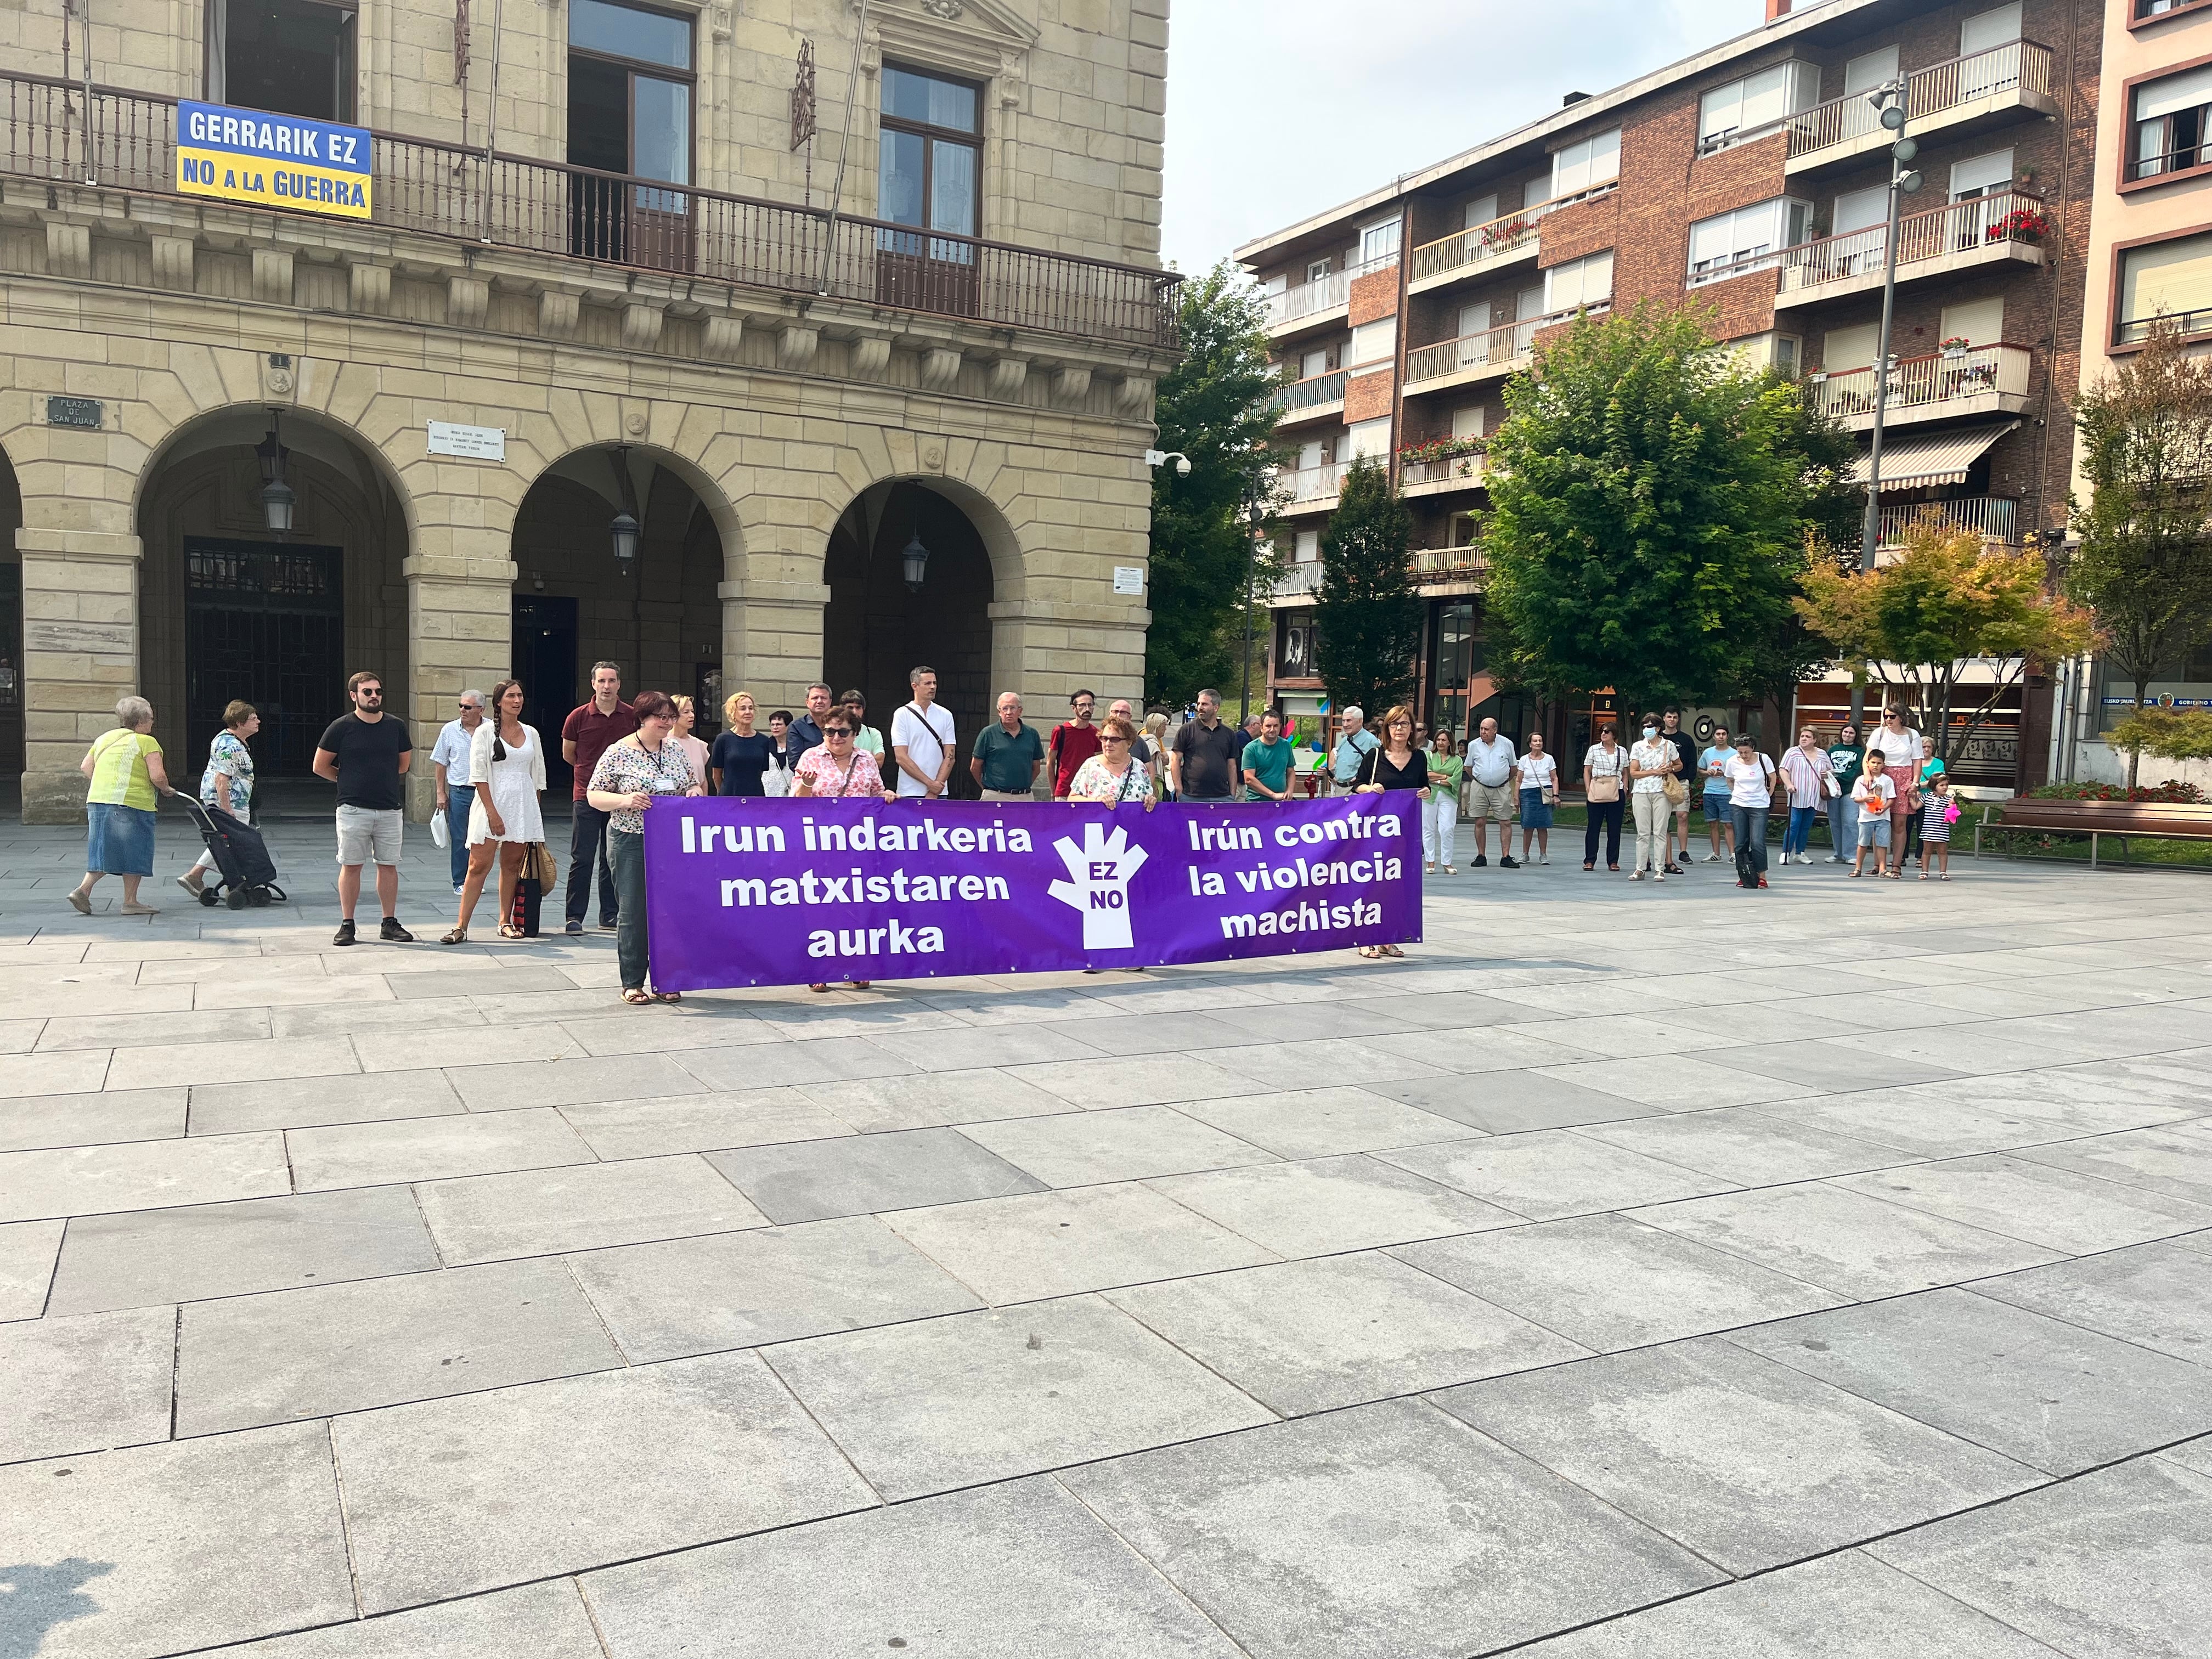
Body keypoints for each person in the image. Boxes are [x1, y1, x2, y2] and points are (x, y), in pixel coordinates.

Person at [587, 690, 703, 1006]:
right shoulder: (618, 752)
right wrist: (625, 800)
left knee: (671, 910)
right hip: (631, 838)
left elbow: (692, 783)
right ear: (643, 718)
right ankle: (633, 980)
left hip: (671, 841)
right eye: (661, 717)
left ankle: (668, 978)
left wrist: (693, 791)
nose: (667, 723)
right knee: (634, 910)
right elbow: (594, 795)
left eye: (671, 717)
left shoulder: (676, 749)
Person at [792, 712, 899, 994]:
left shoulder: (866, 759)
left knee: (859, 905)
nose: (835, 737)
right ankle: (819, 968)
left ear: (855, 733)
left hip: (859, 846)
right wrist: (807, 784)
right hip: (821, 845)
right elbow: (794, 803)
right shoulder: (810, 758)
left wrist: (887, 795)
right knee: (822, 906)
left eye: (842, 732)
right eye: (829, 732)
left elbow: (876, 793)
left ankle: (857, 965)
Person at [313, 670, 414, 945]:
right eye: (367, 692)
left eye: (378, 691)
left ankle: (389, 923)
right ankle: (348, 924)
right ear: (354, 695)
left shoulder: (395, 726)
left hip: (389, 809)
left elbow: (403, 765)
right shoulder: (342, 726)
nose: (373, 696)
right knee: (352, 865)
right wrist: (345, 780)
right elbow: (320, 766)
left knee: (389, 866)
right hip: (353, 809)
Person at [443, 679, 546, 945]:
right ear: (499, 702)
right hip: (492, 805)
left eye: (520, 696)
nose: (517, 700)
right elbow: (478, 775)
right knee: (477, 866)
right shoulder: (486, 732)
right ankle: (461, 926)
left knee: (511, 866)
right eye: (511, 696)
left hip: (522, 806)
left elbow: (538, 777)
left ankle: (505, 921)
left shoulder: (532, 733)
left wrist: (533, 814)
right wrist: (493, 813)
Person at [69, 695, 178, 916]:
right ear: (140, 722)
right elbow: (157, 775)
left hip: (98, 801)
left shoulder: (104, 738)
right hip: (132, 804)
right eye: (151, 719)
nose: (153, 723)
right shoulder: (147, 741)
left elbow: (85, 766)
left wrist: (105, 785)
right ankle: (127, 901)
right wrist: (166, 789)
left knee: (104, 849)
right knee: (135, 851)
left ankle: (89, 891)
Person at [561, 662, 637, 938]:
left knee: (612, 858)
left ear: (619, 684)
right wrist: (589, 779)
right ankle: (574, 917)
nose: (607, 686)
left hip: (620, 799)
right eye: (602, 681)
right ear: (593, 684)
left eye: (612, 681)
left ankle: (609, 915)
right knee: (582, 858)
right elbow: (569, 755)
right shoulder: (578, 717)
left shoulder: (631, 716)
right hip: (586, 797)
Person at [1351, 706, 1428, 960]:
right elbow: (1357, 786)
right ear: (1387, 729)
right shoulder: (1375, 756)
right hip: (1376, 834)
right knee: (1371, 884)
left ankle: (1388, 937)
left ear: (1412, 729)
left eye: (1405, 725)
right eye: (1395, 725)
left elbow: (1423, 786)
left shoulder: (1419, 758)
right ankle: (1364, 937)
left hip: (1405, 834)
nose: (1399, 729)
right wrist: (1370, 789)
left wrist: (1426, 792)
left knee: (1397, 886)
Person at [178, 699, 259, 899]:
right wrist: (227, 810)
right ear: (240, 723)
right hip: (231, 800)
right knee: (230, 840)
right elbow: (222, 779)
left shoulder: (228, 739)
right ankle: (195, 875)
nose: (258, 721)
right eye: (253, 718)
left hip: (231, 799)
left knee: (227, 840)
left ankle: (232, 882)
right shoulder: (230, 746)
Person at [430, 689, 486, 895]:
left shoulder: (491, 729)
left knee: (483, 838)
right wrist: (440, 793)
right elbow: (440, 763)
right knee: (461, 837)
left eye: (468, 707)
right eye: (461, 706)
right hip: (461, 791)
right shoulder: (450, 730)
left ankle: (477, 878)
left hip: (485, 792)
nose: (463, 710)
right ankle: (460, 881)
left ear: (481, 709)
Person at [889, 665, 956, 800]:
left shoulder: (945, 714)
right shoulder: (902, 714)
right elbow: (901, 757)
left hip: (940, 791)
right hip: (910, 791)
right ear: (915, 686)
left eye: (935, 683)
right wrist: (930, 784)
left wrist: (936, 789)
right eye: (928, 683)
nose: (933, 687)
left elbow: (950, 755)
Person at [1067, 714, 1158, 808]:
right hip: (1101, 821)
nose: (1108, 744)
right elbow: (1072, 799)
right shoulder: (1091, 765)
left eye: (1115, 739)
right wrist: (1096, 800)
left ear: (1129, 743)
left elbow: (1149, 794)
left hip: (1133, 821)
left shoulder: (1139, 766)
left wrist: (1150, 799)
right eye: (1104, 738)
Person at [1627, 718, 1678, 882]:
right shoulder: (1638, 746)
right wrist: (1654, 772)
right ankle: (1640, 868)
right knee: (1642, 832)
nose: (1646, 729)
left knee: (1660, 831)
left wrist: (1670, 768)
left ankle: (1660, 869)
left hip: (1662, 791)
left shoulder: (1668, 745)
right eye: (1644, 726)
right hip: (1641, 791)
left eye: (1649, 726)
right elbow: (1634, 772)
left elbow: (1679, 764)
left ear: (1657, 728)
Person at [1171, 687, 1243, 803]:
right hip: (1191, 796)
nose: (1200, 707)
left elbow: (1232, 765)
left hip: (1222, 797)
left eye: (1204, 704)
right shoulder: (1186, 730)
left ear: (1216, 708)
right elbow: (1175, 760)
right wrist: (1179, 790)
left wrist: (1232, 793)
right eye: (1198, 704)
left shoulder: (1229, 734)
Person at [1464, 716, 1519, 868]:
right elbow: (1468, 767)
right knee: (1480, 821)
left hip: (1501, 787)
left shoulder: (1507, 744)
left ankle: (1506, 856)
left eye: (1486, 729)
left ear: (1495, 730)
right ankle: (1481, 855)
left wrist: (1503, 780)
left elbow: (1514, 768)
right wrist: (1479, 779)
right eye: (1481, 729)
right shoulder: (1474, 745)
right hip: (1480, 787)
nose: (1483, 732)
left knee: (1506, 821)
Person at [972, 691, 1046, 802]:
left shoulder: (1032, 734)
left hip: (1024, 797)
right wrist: (987, 788)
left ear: (1020, 711)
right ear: (999, 712)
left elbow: (1036, 768)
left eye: (1013, 708)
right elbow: (975, 767)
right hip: (994, 796)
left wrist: (1023, 786)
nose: (1009, 712)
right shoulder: (988, 733)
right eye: (1005, 708)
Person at [1725, 732, 1778, 889]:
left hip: (1759, 805)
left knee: (1757, 841)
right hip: (1739, 805)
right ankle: (1744, 875)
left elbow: (1773, 777)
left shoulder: (1763, 759)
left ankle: (1762, 876)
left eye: (1746, 752)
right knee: (1741, 842)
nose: (1744, 755)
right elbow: (1729, 779)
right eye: (1740, 752)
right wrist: (1735, 792)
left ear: (1753, 749)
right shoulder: (1732, 761)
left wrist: (1769, 792)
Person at [1875, 706, 1924, 857]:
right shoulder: (1880, 733)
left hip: (1904, 776)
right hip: (1883, 776)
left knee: (1900, 823)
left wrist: (1915, 783)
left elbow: (1917, 761)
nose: (1888, 719)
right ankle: (1879, 864)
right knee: (1879, 821)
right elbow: (1869, 757)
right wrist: (1868, 776)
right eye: (1886, 716)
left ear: (1901, 717)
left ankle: (1897, 863)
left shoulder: (1912, 734)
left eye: (1892, 716)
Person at [1778, 729, 1832, 867]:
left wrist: (1828, 773)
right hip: (1797, 794)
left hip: (1814, 796)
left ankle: (1800, 853)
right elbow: (1783, 769)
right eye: (1802, 736)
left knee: (1806, 826)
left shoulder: (1822, 754)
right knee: (1794, 824)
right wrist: (1789, 784)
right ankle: (1786, 852)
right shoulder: (1793, 752)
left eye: (1808, 737)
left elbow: (1831, 770)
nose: (1804, 739)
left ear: (1814, 739)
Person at [710, 692, 780, 797]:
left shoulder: (764, 740)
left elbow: (761, 772)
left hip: (756, 797)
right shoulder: (723, 739)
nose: (748, 712)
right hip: (730, 796)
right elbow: (716, 775)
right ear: (733, 712)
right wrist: (723, 795)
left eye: (751, 708)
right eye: (743, 709)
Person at [1581, 724, 1628, 872]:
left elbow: (1626, 772)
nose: (1603, 734)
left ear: (1614, 734)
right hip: (1597, 789)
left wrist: (1625, 787)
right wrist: (1588, 789)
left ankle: (1613, 861)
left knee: (1615, 828)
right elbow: (1587, 770)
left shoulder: (1622, 751)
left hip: (1616, 789)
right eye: (1601, 731)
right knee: (1593, 827)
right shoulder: (1594, 749)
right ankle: (1590, 860)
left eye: (1607, 732)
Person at [1659, 708, 1699, 873]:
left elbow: (1691, 761)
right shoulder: (1658, 738)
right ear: (1664, 718)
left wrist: (1689, 779)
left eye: (1675, 717)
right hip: (1662, 781)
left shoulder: (1686, 739)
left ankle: (1683, 852)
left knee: (1682, 815)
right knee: (1664, 818)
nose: (1672, 720)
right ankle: (1665, 855)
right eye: (1669, 717)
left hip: (1681, 781)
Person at [1048, 689, 1103, 800]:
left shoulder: (1096, 734)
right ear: (1074, 708)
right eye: (1082, 705)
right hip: (1064, 790)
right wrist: (1053, 791)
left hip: (1086, 793)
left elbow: (1099, 763)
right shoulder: (1060, 731)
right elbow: (1050, 762)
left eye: (1090, 705)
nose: (1087, 709)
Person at [1424, 729, 1464, 873]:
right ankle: (1430, 862)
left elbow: (1455, 780)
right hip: (1429, 796)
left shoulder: (1457, 760)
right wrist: (1446, 777)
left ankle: (1447, 863)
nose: (1441, 743)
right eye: (1438, 740)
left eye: (1444, 740)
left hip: (1448, 797)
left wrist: (1439, 780)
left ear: (1449, 743)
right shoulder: (1428, 756)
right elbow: (1427, 775)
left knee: (1447, 828)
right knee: (1428, 828)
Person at [1825, 721, 1865, 865]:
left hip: (1850, 790)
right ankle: (1839, 854)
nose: (1848, 735)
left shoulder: (1861, 751)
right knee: (1835, 822)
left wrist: (1838, 778)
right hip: (1833, 791)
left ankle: (1851, 854)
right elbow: (1826, 767)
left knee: (1850, 822)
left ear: (1856, 736)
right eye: (1846, 732)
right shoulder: (1833, 749)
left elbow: (1856, 771)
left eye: (1851, 733)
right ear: (1841, 733)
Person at [1852, 750, 1896, 879]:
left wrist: (1884, 809)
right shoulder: (1861, 780)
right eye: (1873, 763)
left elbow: (1892, 798)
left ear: (1884, 765)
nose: (1876, 766)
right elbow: (1855, 798)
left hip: (1883, 817)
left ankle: (1883, 869)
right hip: (1865, 817)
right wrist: (1865, 799)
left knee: (1882, 843)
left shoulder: (1887, 780)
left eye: (1879, 763)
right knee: (1863, 843)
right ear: (1868, 763)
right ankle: (1858, 868)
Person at [1516, 733, 1557, 864]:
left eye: (1540, 740)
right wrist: (1516, 797)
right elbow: (1518, 780)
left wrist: (1556, 795)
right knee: (1528, 825)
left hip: (1544, 793)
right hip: (1527, 793)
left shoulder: (1549, 759)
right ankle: (1525, 854)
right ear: (1530, 744)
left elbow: (1554, 778)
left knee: (1543, 825)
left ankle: (1543, 854)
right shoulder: (1524, 760)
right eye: (1535, 741)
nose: (1538, 743)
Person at [1242, 709, 1296, 804]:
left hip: (1282, 801)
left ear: (1280, 727)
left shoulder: (1286, 745)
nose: (1272, 729)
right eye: (1268, 726)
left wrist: (1290, 791)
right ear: (1261, 727)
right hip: (1257, 802)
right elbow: (1249, 779)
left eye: (1276, 726)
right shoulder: (1251, 748)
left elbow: (1291, 771)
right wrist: (1273, 795)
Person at [1699, 726, 1736, 863]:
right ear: (1714, 736)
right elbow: (1700, 769)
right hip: (1710, 792)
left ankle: (1733, 854)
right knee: (1713, 824)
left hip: (1726, 793)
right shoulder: (1708, 753)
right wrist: (1707, 772)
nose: (1721, 737)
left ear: (1727, 736)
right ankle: (1716, 854)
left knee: (1728, 824)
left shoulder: (1734, 754)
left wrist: (1724, 774)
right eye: (1718, 734)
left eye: (1724, 734)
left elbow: (1738, 773)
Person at [1329, 706, 1379, 797]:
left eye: (1349, 720)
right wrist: (1328, 773)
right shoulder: (1344, 741)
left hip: (1355, 792)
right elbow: (1340, 765)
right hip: (1339, 790)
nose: (1345, 724)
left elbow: (1378, 768)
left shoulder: (1371, 741)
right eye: (1343, 721)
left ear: (1360, 721)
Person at [669, 696, 713, 793]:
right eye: (686, 712)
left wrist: (704, 803)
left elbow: (703, 779)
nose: (692, 715)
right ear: (674, 715)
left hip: (696, 800)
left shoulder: (699, 744)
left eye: (692, 711)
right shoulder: (663, 743)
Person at [787, 684, 834, 769]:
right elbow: (795, 762)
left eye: (823, 698)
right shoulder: (796, 727)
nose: (819, 701)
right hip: (810, 778)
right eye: (815, 698)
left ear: (830, 702)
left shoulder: (838, 725)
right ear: (807, 702)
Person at [1919, 770, 1955, 880]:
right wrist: (1911, 798)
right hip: (1928, 830)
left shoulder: (1949, 799)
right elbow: (1916, 806)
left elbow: (1952, 816)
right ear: (1934, 786)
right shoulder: (1927, 797)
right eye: (1942, 785)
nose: (1945, 787)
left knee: (1943, 852)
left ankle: (1943, 872)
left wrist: (1952, 807)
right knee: (1926, 851)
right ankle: (1925, 871)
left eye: (1947, 785)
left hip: (1942, 830)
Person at [840, 689, 884, 758]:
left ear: (863, 709)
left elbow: (879, 761)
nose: (854, 712)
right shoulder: (835, 733)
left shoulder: (873, 734)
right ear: (843, 709)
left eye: (858, 708)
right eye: (850, 708)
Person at [1142, 709, 1171, 795]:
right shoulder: (1152, 743)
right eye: (1164, 726)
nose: (1165, 729)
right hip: (1155, 782)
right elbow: (1149, 767)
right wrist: (1153, 787)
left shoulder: (1152, 741)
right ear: (1158, 727)